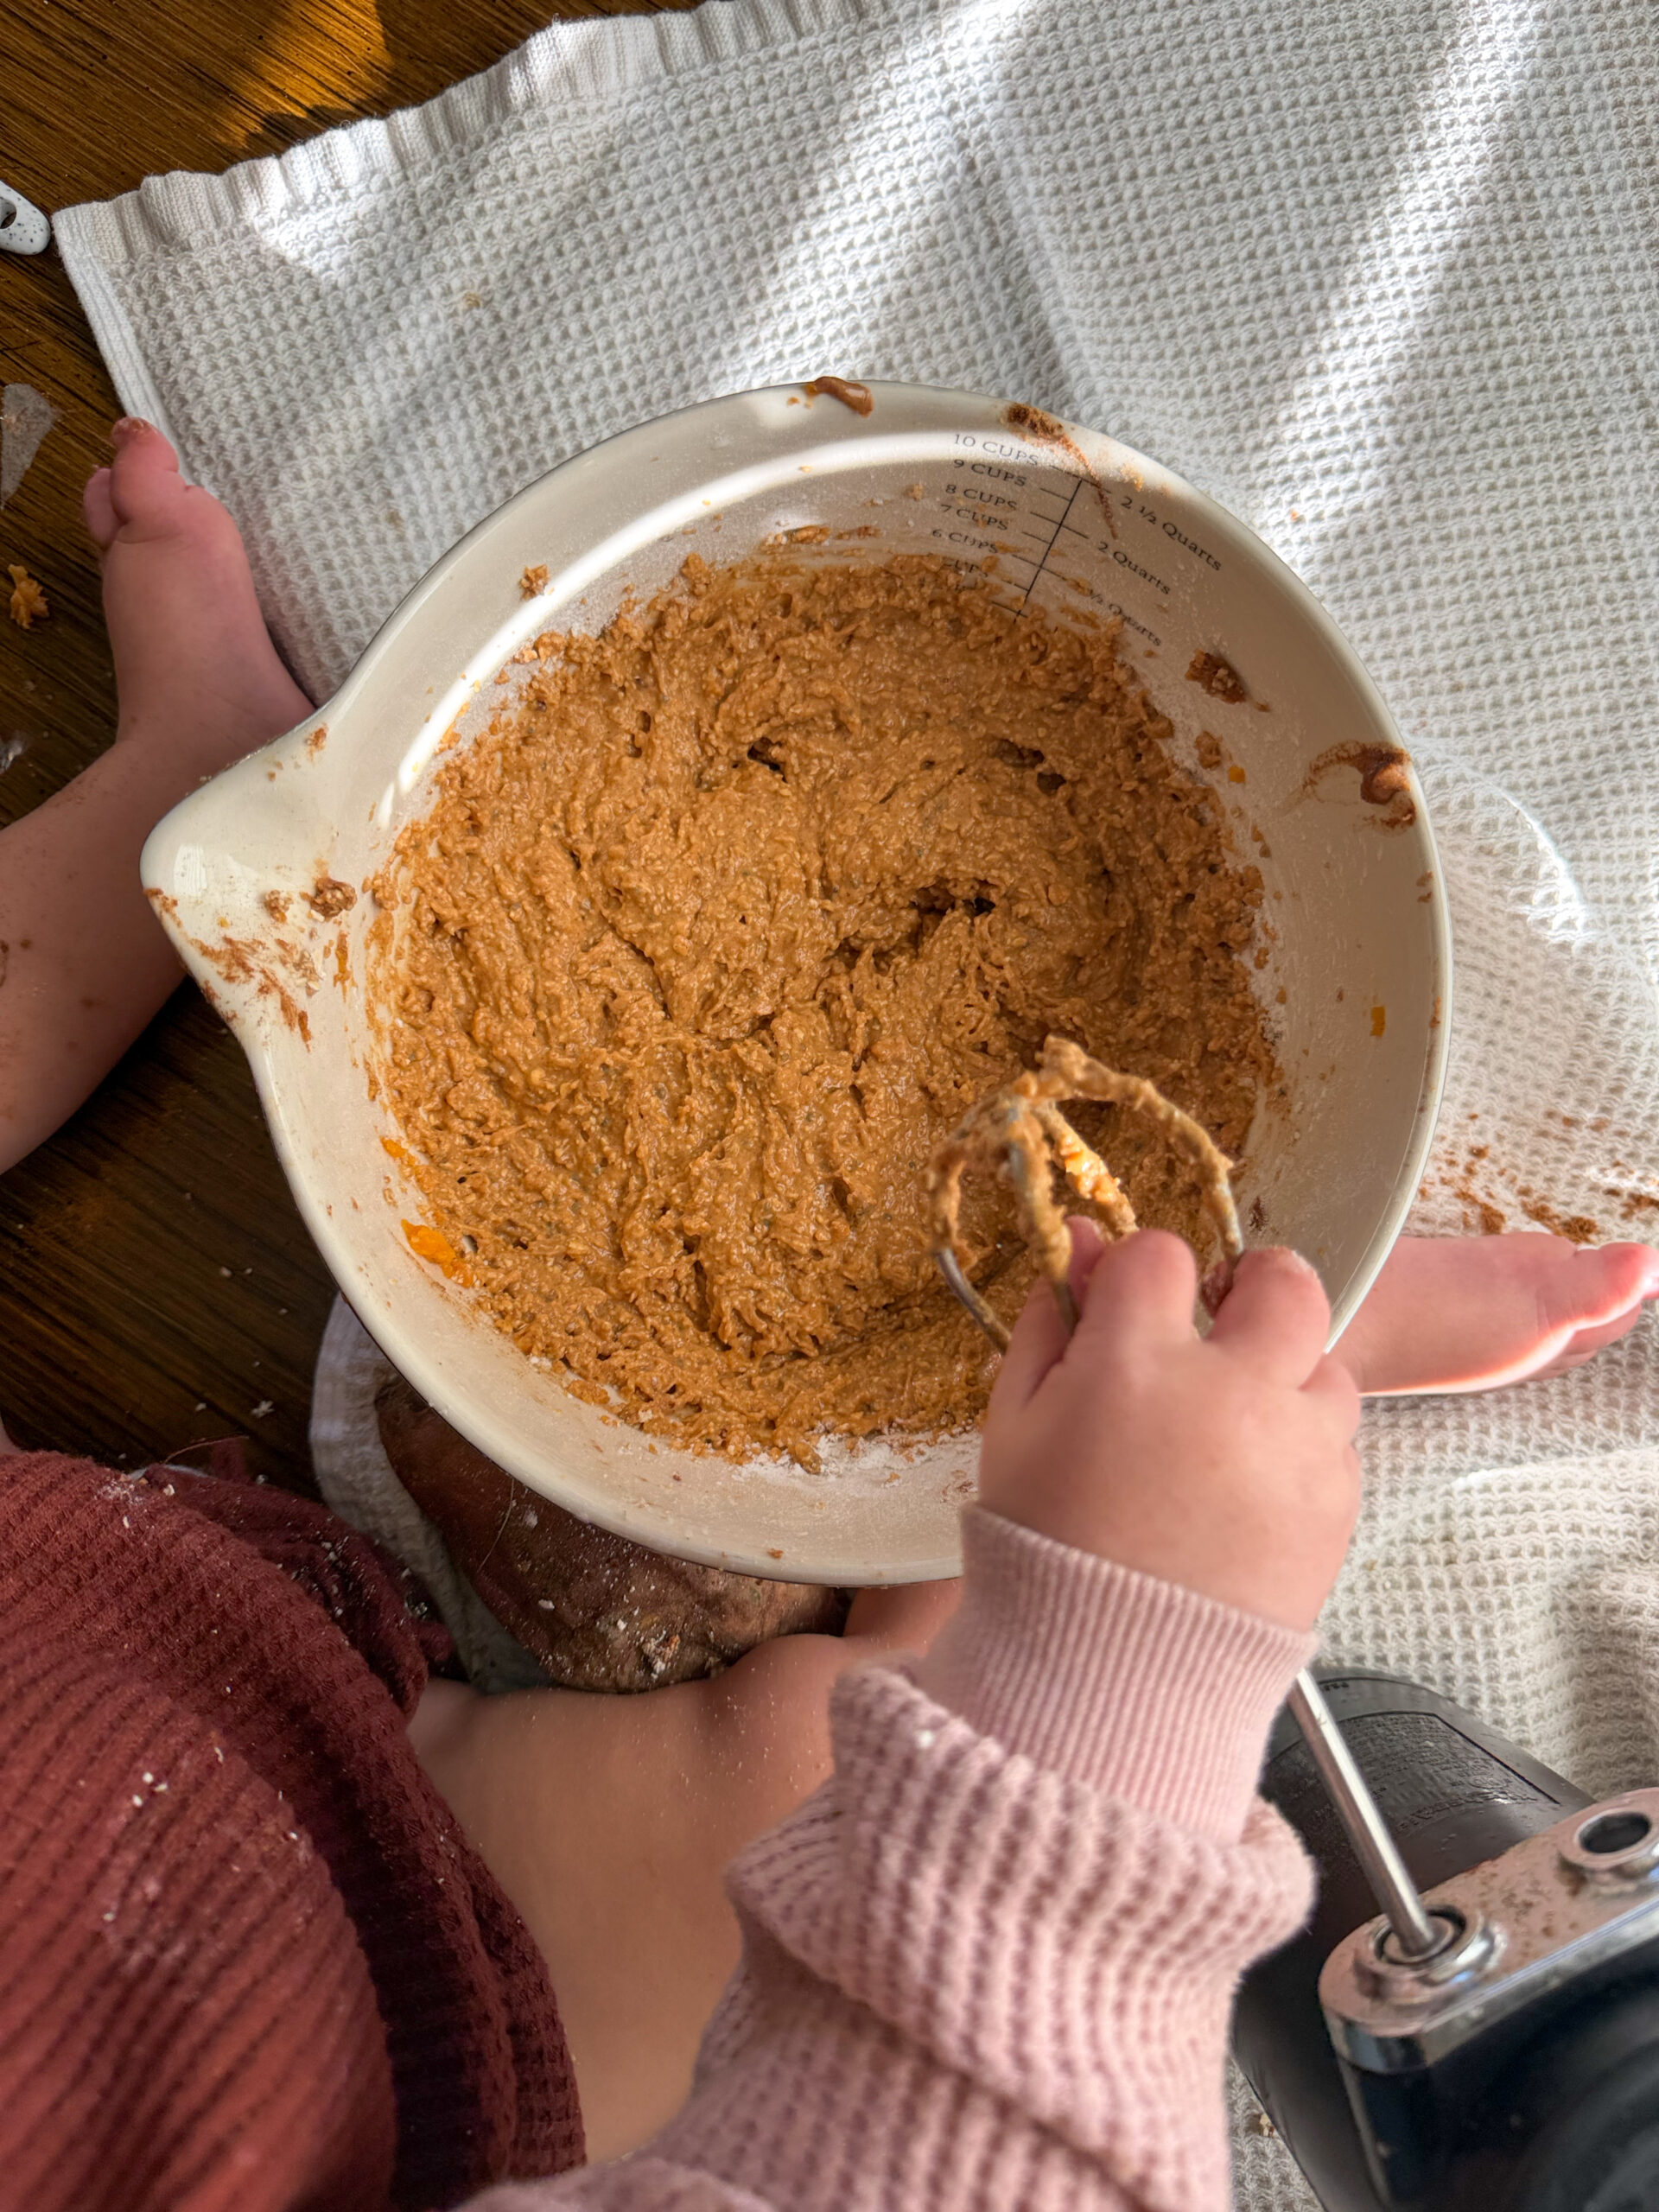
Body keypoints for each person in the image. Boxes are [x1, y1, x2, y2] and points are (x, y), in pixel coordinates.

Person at [1, 423, 1656, 2210]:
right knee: (823, 1773)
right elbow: (952, 2132)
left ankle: (194, 779)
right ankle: (1233, 1337)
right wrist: (1122, 1647)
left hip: (163, 1701)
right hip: (411, 1933)